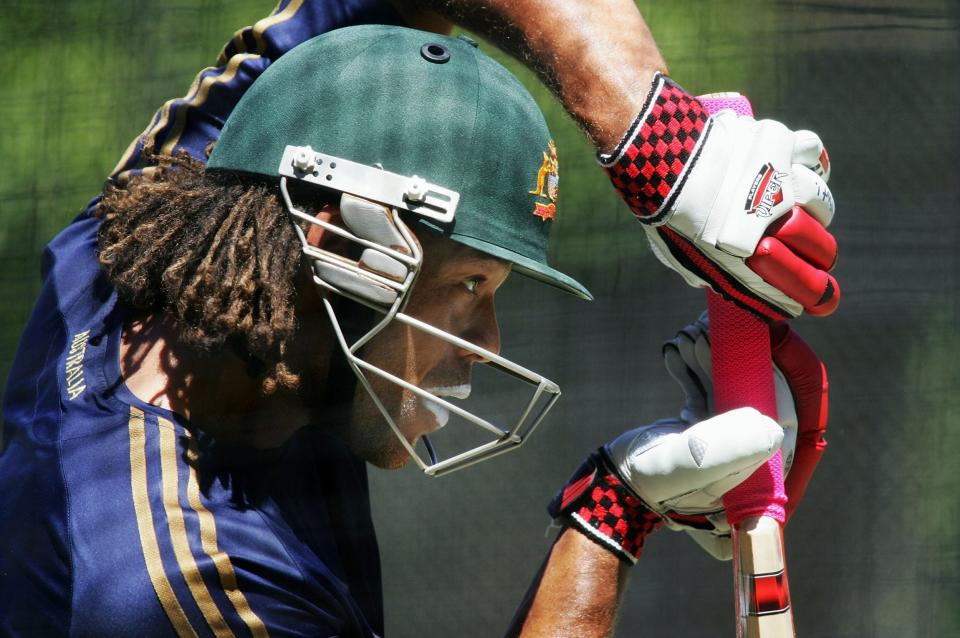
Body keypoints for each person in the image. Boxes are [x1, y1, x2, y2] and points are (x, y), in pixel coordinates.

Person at [0, 3, 835, 636]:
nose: (488, 346)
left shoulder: (180, 208)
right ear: (346, 244)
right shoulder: (186, 588)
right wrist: (609, 520)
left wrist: (655, 134)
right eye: (471, 284)